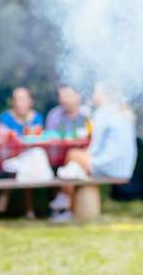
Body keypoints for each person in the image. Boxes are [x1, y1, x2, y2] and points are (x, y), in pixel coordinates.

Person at [49, 83, 137, 223]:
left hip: (109, 165)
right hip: (124, 167)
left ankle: (65, 202)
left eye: (96, 91)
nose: (93, 94)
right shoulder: (121, 111)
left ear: (105, 95)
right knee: (75, 165)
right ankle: (66, 202)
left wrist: (84, 154)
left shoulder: (103, 113)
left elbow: (94, 147)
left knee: (72, 154)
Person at [0, 86, 42, 218]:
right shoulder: (5, 117)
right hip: (9, 157)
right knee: (17, 165)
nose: (20, 103)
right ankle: (29, 209)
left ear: (30, 101)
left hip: (30, 157)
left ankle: (5, 196)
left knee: (25, 165)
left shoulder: (36, 117)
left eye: (23, 99)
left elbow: (36, 137)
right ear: (12, 102)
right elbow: (1, 135)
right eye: (17, 99)